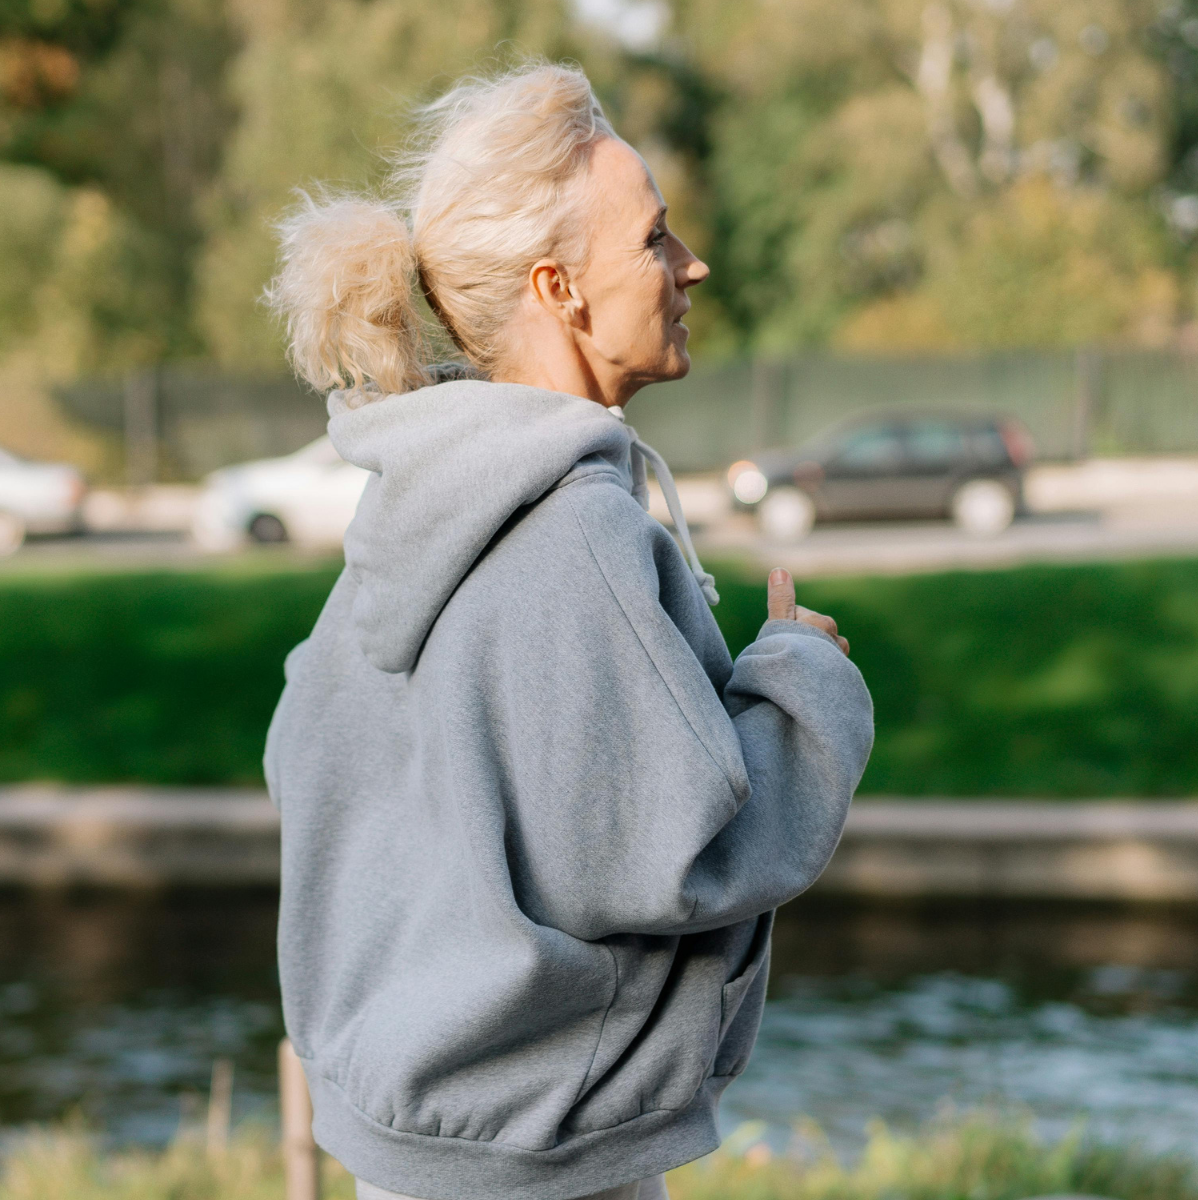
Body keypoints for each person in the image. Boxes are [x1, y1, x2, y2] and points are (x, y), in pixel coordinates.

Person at [261, 63, 874, 1200]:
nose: (692, 262)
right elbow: (663, 857)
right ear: (561, 288)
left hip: (418, 1142)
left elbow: (305, 758)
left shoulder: (420, 491)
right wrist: (805, 688)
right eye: (652, 239)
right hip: (538, 1163)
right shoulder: (574, 527)